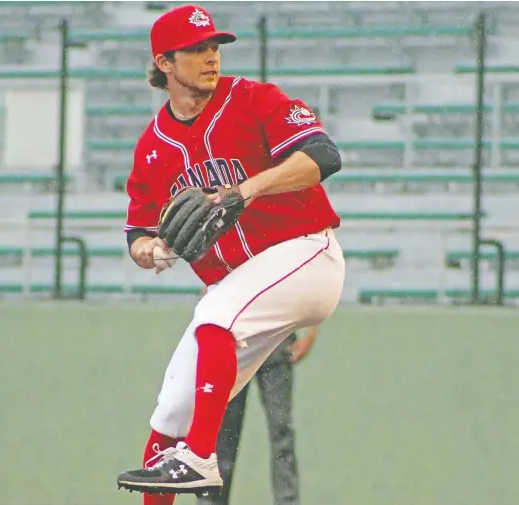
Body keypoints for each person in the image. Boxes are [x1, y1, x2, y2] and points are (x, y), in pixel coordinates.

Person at [116, 4, 345, 504]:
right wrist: (149, 249)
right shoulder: (153, 145)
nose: (211, 57)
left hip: (306, 255)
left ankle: (200, 458)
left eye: (215, 46)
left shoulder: (254, 100)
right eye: (196, 50)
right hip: (239, 287)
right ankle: (178, 467)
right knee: (171, 409)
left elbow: (324, 156)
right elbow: (137, 229)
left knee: (215, 319)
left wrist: (247, 189)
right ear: (165, 63)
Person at [196, 325, 319, 505]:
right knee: (222, 437)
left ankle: (287, 501)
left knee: (281, 429)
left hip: (277, 339)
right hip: (234, 344)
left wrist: (311, 333)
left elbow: (312, 296)